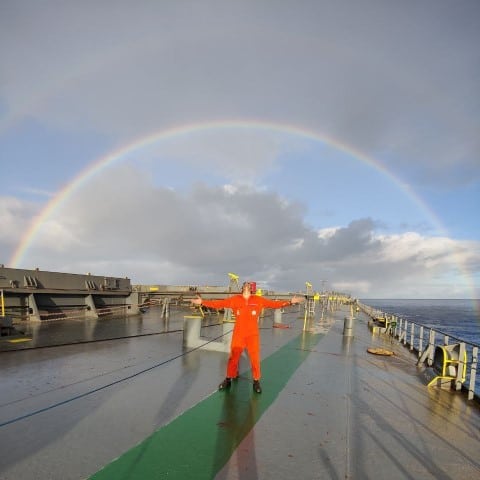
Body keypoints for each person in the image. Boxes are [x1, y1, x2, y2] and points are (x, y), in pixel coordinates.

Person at [191, 282, 303, 393]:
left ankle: (256, 381)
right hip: (238, 333)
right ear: (242, 288)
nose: (247, 285)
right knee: (233, 358)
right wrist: (202, 302)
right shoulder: (235, 299)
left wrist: (289, 302)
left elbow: (274, 304)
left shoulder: (258, 300)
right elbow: (219, 303)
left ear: (251, 289)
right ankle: (229, 378)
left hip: (252, 335)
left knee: (255, 358)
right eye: (245, 284)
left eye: (249, 285)